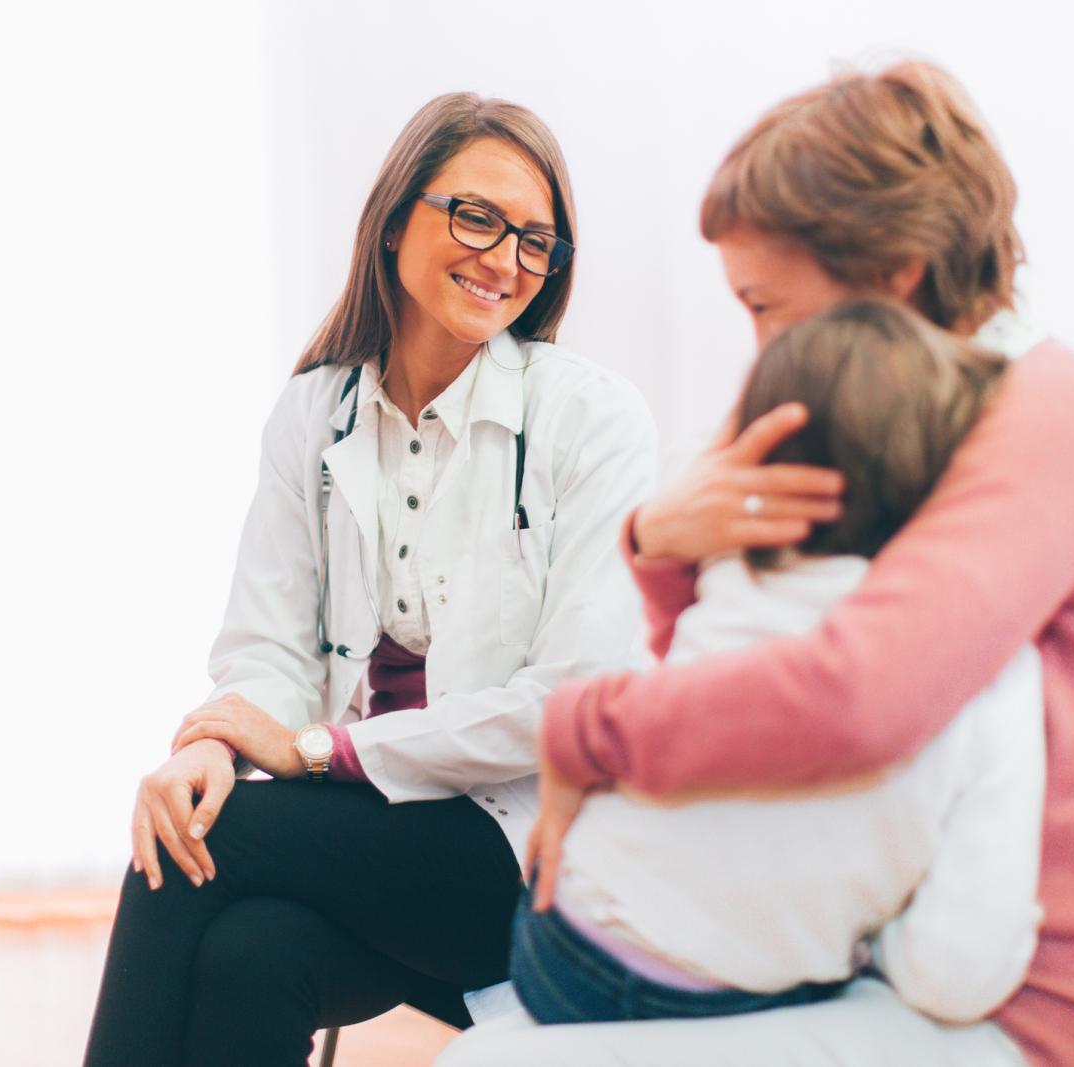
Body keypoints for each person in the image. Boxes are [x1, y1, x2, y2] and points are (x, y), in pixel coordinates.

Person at [440, 59, 1074, 1067]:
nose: (757, 346)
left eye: (767, 304)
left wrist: (579, 731)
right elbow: (726, 656)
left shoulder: (1051, 410)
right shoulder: (882, 409)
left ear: (892, 274)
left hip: (1051, 1010)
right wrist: (663, 551)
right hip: (895, 962)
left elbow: (855, 693)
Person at [82, 92, 658, 1067]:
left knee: (183, 862)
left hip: (530, 854)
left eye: (535, 240)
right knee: (246, 956)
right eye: (476, 215)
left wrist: (313, 748)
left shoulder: (592, 418)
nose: (505, 257)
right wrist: (213, 753)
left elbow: (568, 705)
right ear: (396, 217)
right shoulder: (313, 413)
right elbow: (266, 646)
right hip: (381, 847)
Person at [509, 298, 1045, 1029]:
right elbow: (954, 976)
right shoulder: (991, 663)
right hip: (729, 993)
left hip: (564, 943)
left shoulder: (727, 573)